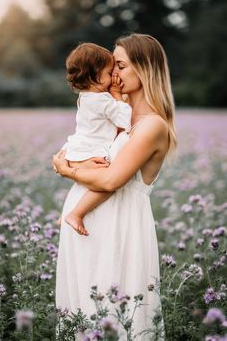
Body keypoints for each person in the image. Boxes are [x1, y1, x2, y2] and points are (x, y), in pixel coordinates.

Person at [53, 33, 177, 340]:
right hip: (88, 228)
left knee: (114, 313)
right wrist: (73, 163)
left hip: (119, 229)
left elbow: (110, 180)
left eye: (119, 65)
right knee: (84, 313)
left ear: (144, 69)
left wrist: (66, 170)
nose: (114, 74)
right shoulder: (122, 119)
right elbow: (90, 152)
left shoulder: (152, 125)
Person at [58, 43, 132, 236]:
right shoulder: (102, 100)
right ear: (96, 76)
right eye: (109, 72)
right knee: (108, 183)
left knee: (86, 182)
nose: (114, 75)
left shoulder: (85, 96)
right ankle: (76, 213)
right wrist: (117, 95)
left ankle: (67, 211)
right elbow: (124, 120)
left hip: (77, 147)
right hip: (90, 150)